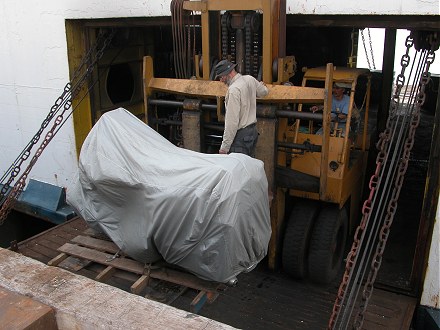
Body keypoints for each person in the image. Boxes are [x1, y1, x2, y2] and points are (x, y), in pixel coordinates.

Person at [213, 59, 269, 157]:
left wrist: (224, 148)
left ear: (229, 73)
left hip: (241, 137)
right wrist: (262, 85)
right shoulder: (249, 79)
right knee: (248, 168)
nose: (221, 81)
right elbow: (264, 92)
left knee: (238, 170)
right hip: (252, 133)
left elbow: (232, 122)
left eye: (221, 77)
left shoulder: (233, 90)